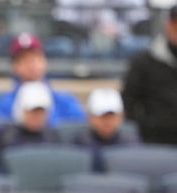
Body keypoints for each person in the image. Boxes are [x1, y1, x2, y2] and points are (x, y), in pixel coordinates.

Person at [0, 33, 86, 126]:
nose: (31, 65)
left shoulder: (65, 101)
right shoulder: (4, 105)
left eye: (36, 58)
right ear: (15, 66)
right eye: (24, 60)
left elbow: (78, 131)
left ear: (45, 61)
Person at [121, 6, 177, 145]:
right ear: (168, 25)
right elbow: (128, 101)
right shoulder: (143, 62)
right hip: (156, 142)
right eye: (175, 24)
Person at [0, 81, 61, 173]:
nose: (37, 117)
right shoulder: (4, 136)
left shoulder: (53, 138)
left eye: (41, 112)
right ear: (20, 111)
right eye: (32, 112)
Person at [73, 88, 138, 172]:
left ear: (121, 117)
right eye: (102, 117)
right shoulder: (78, 144)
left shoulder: (131, 145)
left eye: (112, 116)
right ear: (90, 117)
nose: (107, 122)